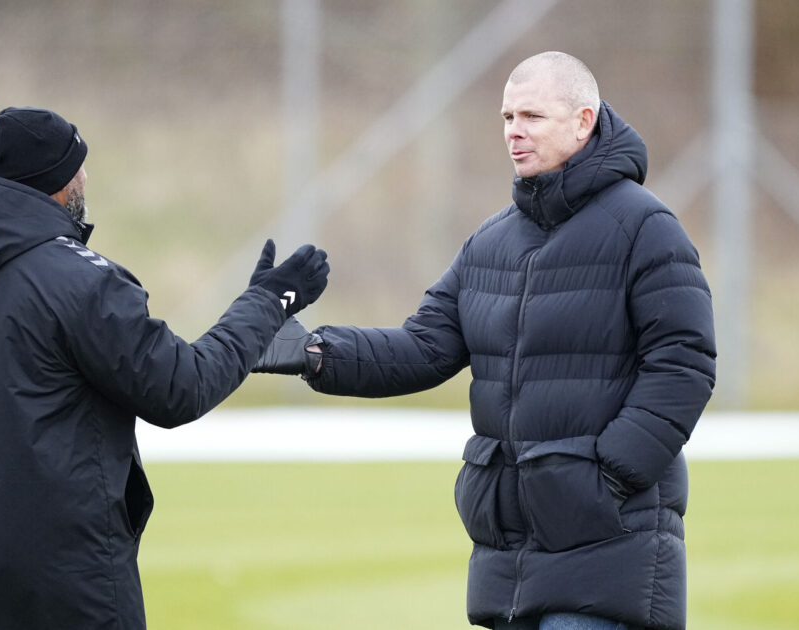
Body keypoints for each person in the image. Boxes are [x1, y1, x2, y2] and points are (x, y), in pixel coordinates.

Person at [255, 52, 716, 630]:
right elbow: (422, 348)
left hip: (609, 553)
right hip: (509, 561)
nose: (514, 132)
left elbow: (685, 363)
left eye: (531, 116)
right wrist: (312, 351)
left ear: (583, 120)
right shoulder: (489, 242)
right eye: (506, 117)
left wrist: (607, 478)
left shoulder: (646, 228)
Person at [0, 106, 329, 630]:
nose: (85, 177)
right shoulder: (83, 282)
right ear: (61, 183)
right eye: (79, 167)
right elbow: (182, 388)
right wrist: (269, 301)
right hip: (74, 588)